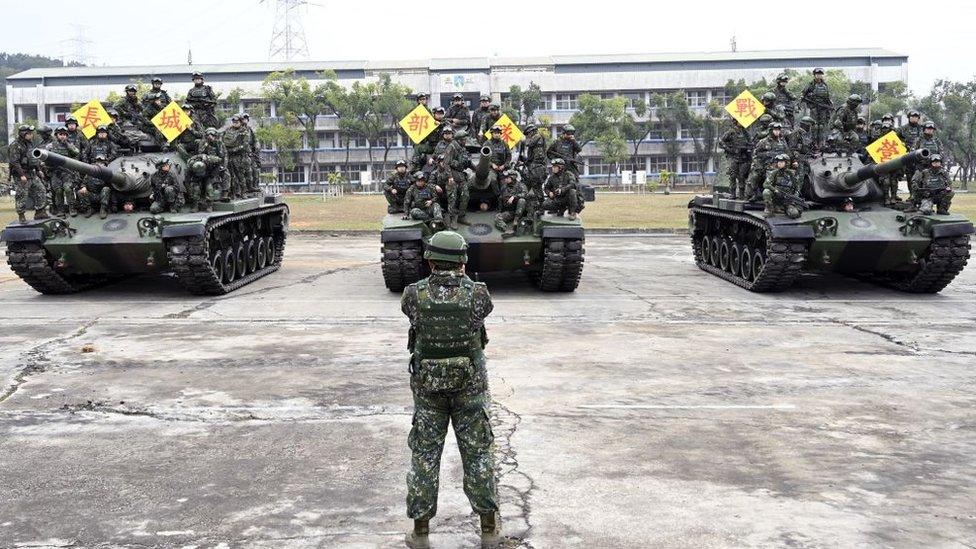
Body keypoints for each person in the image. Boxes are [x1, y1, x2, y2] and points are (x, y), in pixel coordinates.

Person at [400, 230, 499, 549]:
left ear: (430, 260)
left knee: (425, 453)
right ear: (462, 262)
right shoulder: (478, 294)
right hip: (470, 386)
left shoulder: (413, 294)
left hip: (428, 388)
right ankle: (488, 529)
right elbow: (482, 313)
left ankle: (420, 531)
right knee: (477, 451)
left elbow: (409, 313)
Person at [8, 124, 49, 223]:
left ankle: (39, 212)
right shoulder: (15, 145)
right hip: (21, 174)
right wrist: (22, 175)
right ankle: (21, 216)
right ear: (23, 134)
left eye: (31, 133)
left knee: (41, 190)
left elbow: (33, 159)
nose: (31, 135)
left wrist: (38, 170)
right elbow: (15, 162)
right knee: (22, 195)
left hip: (32, 172)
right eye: (29, 134)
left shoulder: (30, 144)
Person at [746, 122, 789, 201]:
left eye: (778, 130)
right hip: (765, 165)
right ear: (770, 130)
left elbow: (787, 154)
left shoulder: (782, 142)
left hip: (778, 166)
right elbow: (755, 154)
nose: (777, 132)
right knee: (755, 176)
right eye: (775, 130)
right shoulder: (763, 142)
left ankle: (779, 197)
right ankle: (755, 194)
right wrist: (759, 164)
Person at [188, 127, 227, 209]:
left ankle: (211, 204)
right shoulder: (203, 144)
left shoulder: (219, 143)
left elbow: (222, 157)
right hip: (200, 171)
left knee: (209, 188)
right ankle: (195, 206)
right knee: (196, 189)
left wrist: (220, 168)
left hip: (211, 170)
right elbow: (199, 152)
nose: (210, 137)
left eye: (212, 135)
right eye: (208, 135)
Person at [47, 126, 82, 217]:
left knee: (68, 188)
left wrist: (67, 144)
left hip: (67, 172)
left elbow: (76, 152)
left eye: (64, 135)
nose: (62, 136)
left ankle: (72, 208)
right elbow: (44, 159)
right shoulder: (50, 146)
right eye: (60, 134)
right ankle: (60, 210)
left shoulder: (69, 145)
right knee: (58, 191)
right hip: (55, 172)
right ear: (56, 135)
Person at [719, 119, 753, 199]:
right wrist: (729, 149)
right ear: (735, 122)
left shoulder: (745, 132)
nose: (741, 122)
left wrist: (748, 147)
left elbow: (751, 143)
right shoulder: (731, 132)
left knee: (742, 177)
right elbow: (721, 142)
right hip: (734, 158)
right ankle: (733, 194)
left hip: (743, 158)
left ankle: (741, 195)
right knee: (733, 176)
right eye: (739, 121)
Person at [763, 153, 803, 218]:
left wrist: (794, 197)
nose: (779, 163)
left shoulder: (792, 174)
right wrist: (775, 190)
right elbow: (766, 184)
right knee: (766, 191)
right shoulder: (774, 172)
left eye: (781, 162)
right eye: (778, 162)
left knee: (794, 214)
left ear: (786, 163)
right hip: (776, 197)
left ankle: (784, 208)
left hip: (787, 199)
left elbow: (797, 187)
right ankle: (769, 209)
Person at [802, 68, 832, 146]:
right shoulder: (811, 84)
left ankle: (821, 142)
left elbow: (827, 97)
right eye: (817, 74)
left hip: (823, 108)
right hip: (814, 107)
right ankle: (814, 142)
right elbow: (803, 95)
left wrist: (830, 106)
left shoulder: (825, 85)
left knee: (822, 126)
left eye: (820, 74)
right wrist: (809, 102)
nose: (819, 76)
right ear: (814, 75)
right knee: (815, 125)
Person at [223, 115, 251, 198]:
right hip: (229, 156)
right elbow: (223, 140)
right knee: (230, 175)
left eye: (237, 122)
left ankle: (244, 192)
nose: (235, 124)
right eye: (234, 122)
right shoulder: (228, 130)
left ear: (241, 122)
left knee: (240, 175)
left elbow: (245, 145)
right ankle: (232, 192)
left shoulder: (244, 131)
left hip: (239, 157)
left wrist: (234, 149)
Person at [77, 154, 114, 219]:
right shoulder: (90, 172)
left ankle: (103, 209)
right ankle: (89, 209)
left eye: (101, 162)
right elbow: (84, 182)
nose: (99, 163)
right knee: (80, 192)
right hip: (92, 194)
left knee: (106, 189)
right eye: (97, 161)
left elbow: (111, 185)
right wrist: (84, 187)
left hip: (102, 195)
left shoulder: (108, 173)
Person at [519, 124, 548, 205]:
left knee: (536, 186)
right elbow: (530, 158)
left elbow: (529, 143)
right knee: (527, 184)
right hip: (534, 167)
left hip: (538, 168)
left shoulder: (537, 136)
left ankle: (542, 205)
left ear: (532, 131)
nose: (528, 136)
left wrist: (522, 140)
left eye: (528, 134)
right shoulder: (535, 142)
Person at [495, 169, 528, 236]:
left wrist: (514, 197)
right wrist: (500, 211)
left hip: (520, 212)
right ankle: (507, 230)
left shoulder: (520, 185)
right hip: (510, 212)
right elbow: (500, 199)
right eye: (505, 178)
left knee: (522, 200)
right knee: (497, 217)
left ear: (513, 178)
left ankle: (516, 221)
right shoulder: (504, 187)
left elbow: (525, 194)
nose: (505, 179)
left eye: (507, 178)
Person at [484, 125, 512, 189]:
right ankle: (498, 196)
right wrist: (492, 164)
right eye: (495, 133)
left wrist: (504, 165)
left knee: (505, 182)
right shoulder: (487, 144)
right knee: (493, 180)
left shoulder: (504, 144)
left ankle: (504, 196)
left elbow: (509, 156)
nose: (497, 135)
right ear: (492, 133)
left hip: (502, 168)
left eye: (498, 133)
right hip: (491, 168)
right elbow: (484, 158)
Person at [241, 113, 262, 194]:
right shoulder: (237, 130)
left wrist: (257, 146)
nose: (245, 120)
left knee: (255, 171)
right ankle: (245, 190)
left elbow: (255, 140)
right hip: (241, 155)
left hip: (250, 154)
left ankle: (254, 187)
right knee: (246, 173)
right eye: (243, 118)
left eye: (246, 118)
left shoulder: (249, 129)